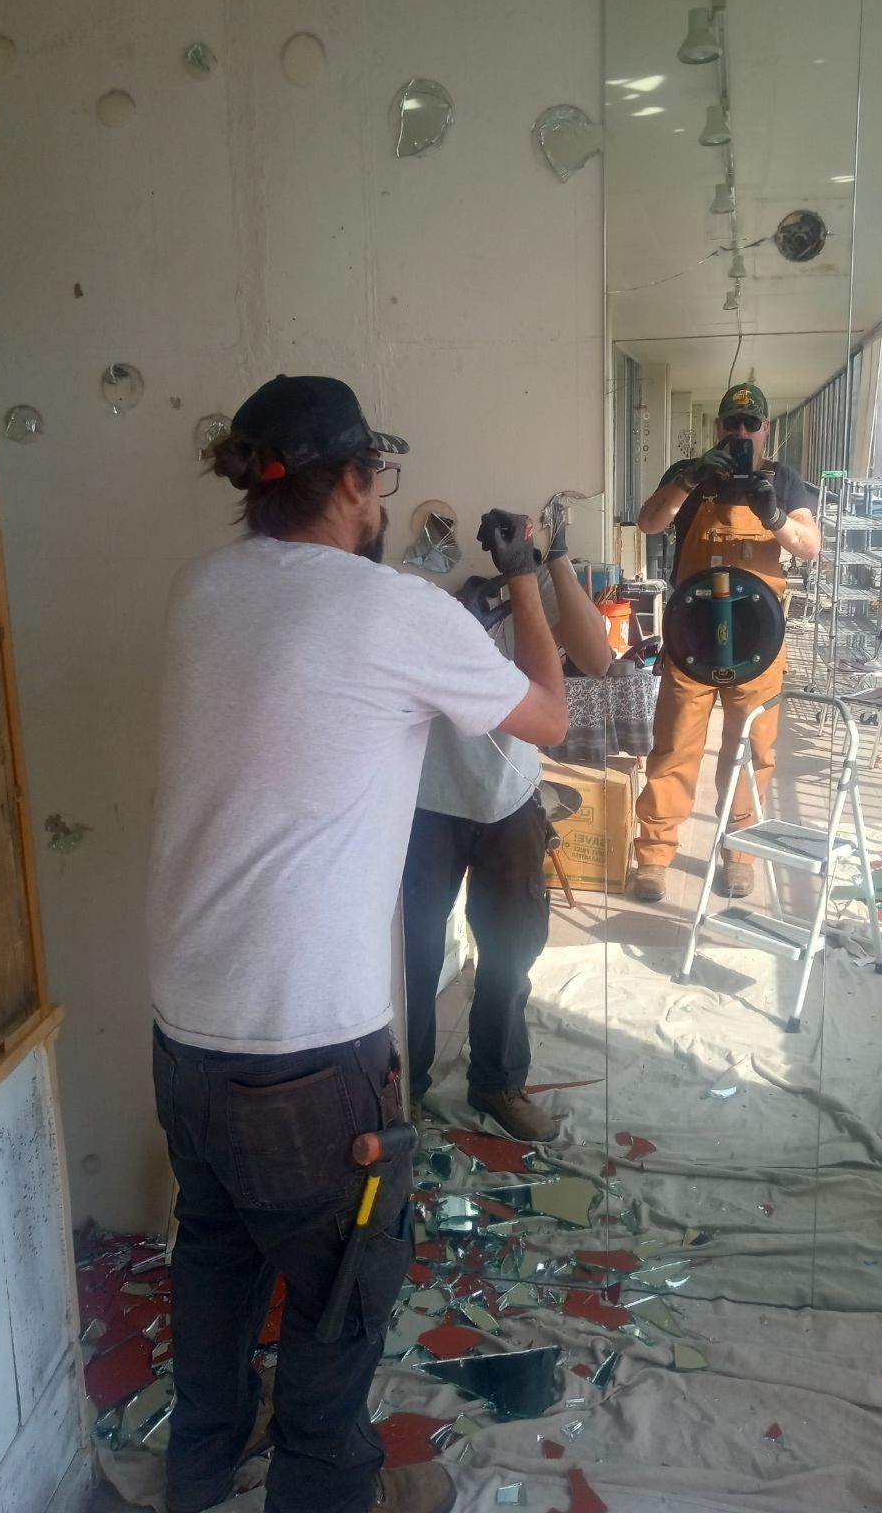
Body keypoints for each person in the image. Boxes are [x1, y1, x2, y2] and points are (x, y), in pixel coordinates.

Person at [146, 374, 567, 1513]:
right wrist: (523, 570)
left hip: (184, 1034)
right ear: (350, 481)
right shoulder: (390, 611)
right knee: (345, 1293)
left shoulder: (201, 587)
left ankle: (199, 1473)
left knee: (219, 1259)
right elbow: (548, 712)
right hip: (307, 1052)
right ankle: (332, 1485)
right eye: (375, 475)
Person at [402, 514, 611, 1143]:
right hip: (420, 799)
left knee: (510, 951)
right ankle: (404, 1093)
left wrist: (541, 563)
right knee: (409, 956)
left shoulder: (527, 578)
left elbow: (597, 658)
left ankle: (497, 1081)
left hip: (509, 794)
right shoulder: (402, 581)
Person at [631, 382, 820, 903]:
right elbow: (649, 522)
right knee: (672, 747)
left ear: (765, 429)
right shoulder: (690, 475)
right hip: (692, 637)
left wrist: (774, 515)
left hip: (756, 644)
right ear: (718, 427)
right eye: (731, 424)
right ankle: (652, 856)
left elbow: (810, 547)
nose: (740, 433)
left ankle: (739, 856)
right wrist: (689, 479)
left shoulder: (783, 481)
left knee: (752, 751)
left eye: (750, 424)